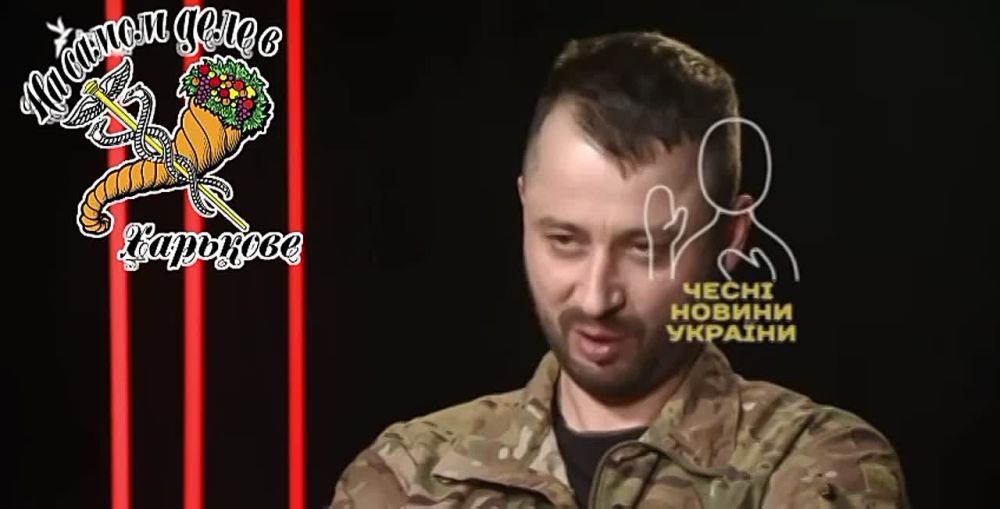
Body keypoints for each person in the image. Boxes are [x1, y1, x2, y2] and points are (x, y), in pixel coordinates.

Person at [330, 31, 908, 508]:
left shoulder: (818, 466)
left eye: (647, 249)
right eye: (564, 240)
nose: (596, 296)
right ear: (524, 209)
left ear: (731, 238)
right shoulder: (408, 476)